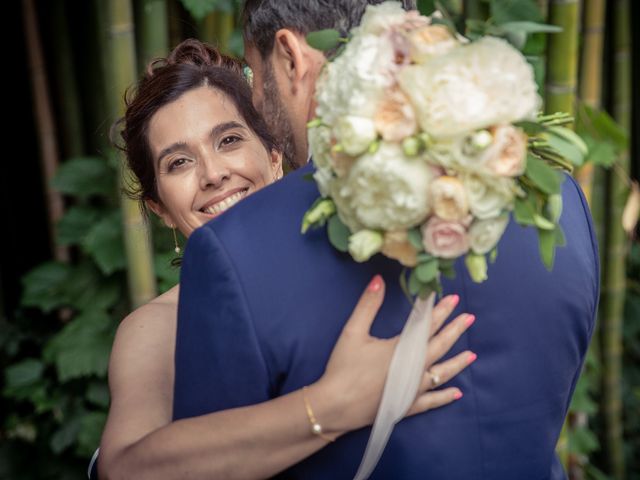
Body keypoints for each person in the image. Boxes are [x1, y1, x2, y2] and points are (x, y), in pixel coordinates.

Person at [173, 1, 599, 479]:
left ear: (292, 55)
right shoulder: (557, 200)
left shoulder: (234, 250)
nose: (255, 102)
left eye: (254, 73)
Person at [95, 39, 475, 480]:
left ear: (275, 155)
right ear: (160, 208)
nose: (213, 173)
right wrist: (332, 406)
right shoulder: (156, 326)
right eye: (179, 162)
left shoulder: (362, 259)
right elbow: (123, 469)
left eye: (229, 140)